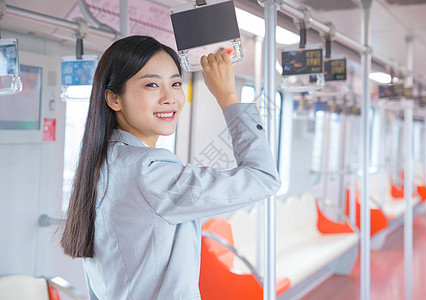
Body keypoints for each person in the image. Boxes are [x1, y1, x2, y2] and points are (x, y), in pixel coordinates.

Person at [60, 35, 280, 300]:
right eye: (152, 84)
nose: (170, 98)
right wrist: (228, 97)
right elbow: (264, 178)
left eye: (176, 83)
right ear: (113, 99)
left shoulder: (101, 163)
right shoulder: (149, 170)